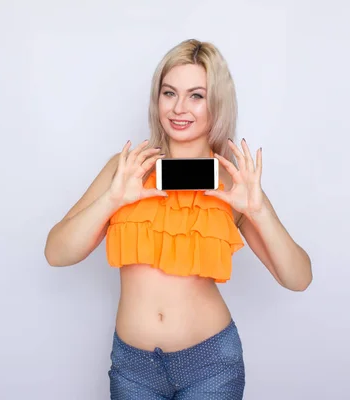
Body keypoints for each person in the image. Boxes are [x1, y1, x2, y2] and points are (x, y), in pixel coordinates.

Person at [44, 39, 312, 399]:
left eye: (196, 95)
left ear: (217, 102)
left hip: (210, 366)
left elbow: (298, 278)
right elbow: (56, 253)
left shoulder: (231, 180)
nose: (179, 108)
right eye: (169, 93)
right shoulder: (126, 170)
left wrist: (258, 210)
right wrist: (112, 200)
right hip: (133, 369)